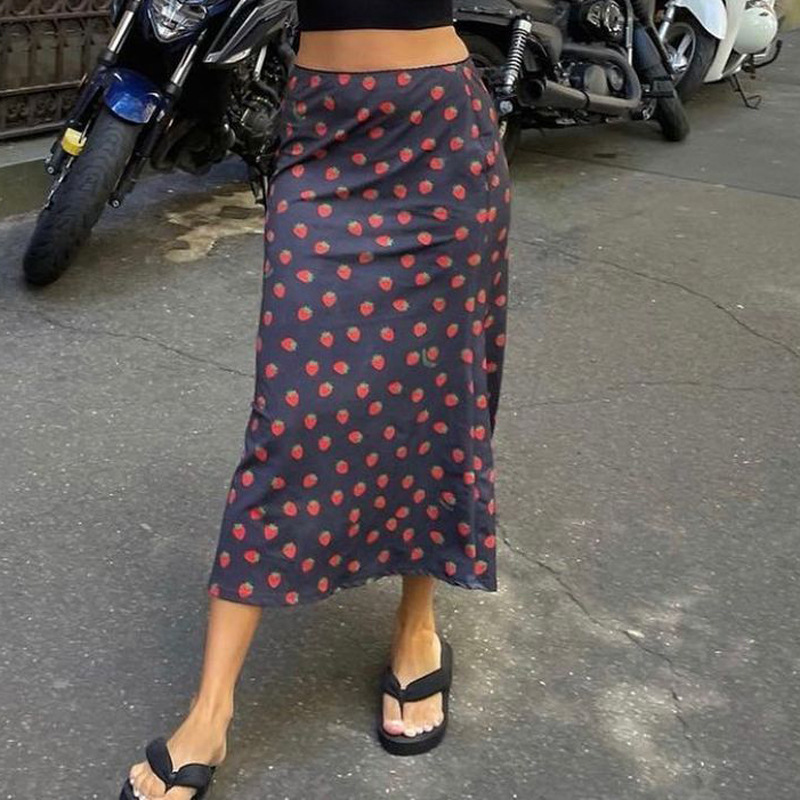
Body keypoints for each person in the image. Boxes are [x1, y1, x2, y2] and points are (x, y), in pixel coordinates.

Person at [122, 0, 511, 796]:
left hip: (442, 136)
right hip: (324, 134)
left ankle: (417, 626)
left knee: (434, 400)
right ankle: (211, 709)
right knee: (291, 417)